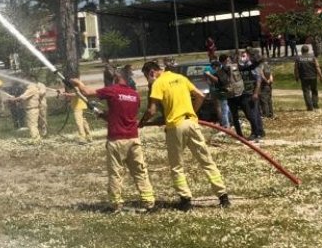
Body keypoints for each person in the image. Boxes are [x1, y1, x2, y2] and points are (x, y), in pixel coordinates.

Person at [140, 61, 230, 211]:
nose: (147, 80)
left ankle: (186, 200)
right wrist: (193, 112)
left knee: (177, 166)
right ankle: (223, 197)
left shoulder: (158, 83)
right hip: (192, 123)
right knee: (206, 161)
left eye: (146, 77)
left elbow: (151, 111)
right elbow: (200, 96)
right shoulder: (180, 78)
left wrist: (142, 122)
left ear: (151, 72)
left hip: (175, 126)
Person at [71, 74, 155, 212]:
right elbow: (123, 116)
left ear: (115, 80)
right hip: (133, 139)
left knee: (116, 173)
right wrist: (102, 114)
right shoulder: (135, 95)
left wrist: (77, 83)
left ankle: (116, 204)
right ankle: (149, 201)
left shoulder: (113, 90)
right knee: (140, 171)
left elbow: (87, 92)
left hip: (116, 140)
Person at [217, 54, 264, 141]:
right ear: (221, 62)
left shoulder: (236, 67)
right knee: (235, 117)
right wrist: (223, 90)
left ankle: (256, 133)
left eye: (228, 61)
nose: (228, 63)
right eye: (225, 61)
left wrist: (258, 62)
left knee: (249, 115)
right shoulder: (219, 73)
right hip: (231, 97)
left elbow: (249, 68)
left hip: (241, 95)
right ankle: (239, 136)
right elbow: (219, 85)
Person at [238, 51, 266, 141]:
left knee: (252, 114)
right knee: (253, 114)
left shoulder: (252, 66)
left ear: (248, 57)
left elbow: (258, 80)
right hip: (244, 93)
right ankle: (259, 132)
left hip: (251, 93)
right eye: (241, 56)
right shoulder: (242, 67)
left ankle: (256, 133)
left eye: (244, 56)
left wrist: (256, 93)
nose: (242, 58)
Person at [295, 45, 322, 112]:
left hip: (304, 77)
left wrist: (296, 76)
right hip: (313, 76)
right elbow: (317, 67)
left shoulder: (298, 58)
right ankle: (315, 105)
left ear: (302, 51)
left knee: (306, 92)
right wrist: (321, 76)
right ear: (308, 50)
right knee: (314, 91)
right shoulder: (313, 57)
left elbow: (296, 69)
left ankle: (310, 107)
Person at [12, 76, 42, 142]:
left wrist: (15, 99)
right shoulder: (31, 88)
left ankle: (36, 139)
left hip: (32, 109)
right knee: (31, 125)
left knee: (32, 125)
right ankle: (36, 138)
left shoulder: (31, 89)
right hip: (31, 109)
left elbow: (23, 97)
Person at [204, 60, 231, 129]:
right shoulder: (224, 70)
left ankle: (226, 125)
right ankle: (229, 122)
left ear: (216, 66)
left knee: (223, 109)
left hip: (222, 92)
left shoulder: (219, 72)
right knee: (226, 107)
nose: (213, 69)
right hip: (225, 91)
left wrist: (209, 75)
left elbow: (217, 81)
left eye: (213, 67)